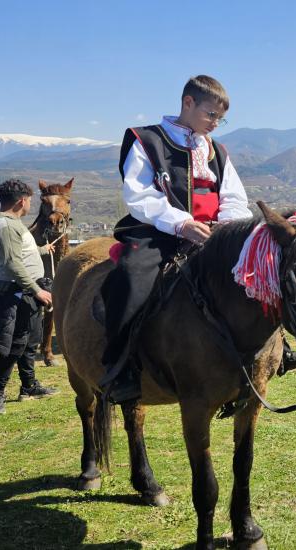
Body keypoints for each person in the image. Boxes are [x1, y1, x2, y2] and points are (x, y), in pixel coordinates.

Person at [100, 75, 254, 403]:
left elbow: (234, 198)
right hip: (161, 233)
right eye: (211, 115)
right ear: (188, 103)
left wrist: (226, 230)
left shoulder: (217, 151)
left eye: (220, 118)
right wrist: (182, 224)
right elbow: (140, 194)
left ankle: (268, 353)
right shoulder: (145, 140)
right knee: (130, 277)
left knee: (258, 274)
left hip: (215, 236)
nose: (215, 123)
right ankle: (121, 366)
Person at [0, 179, 58, 415]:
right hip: (16, 293)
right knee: (13, 345)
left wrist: (42, 251)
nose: (30, 205)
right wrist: (37, 290)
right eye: (30, 200)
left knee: (29, 341)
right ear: (22, 200)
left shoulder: (9, 223)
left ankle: (29, 386)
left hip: (24, 292)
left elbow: (16, 252)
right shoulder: (5, 226)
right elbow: (12, 263)